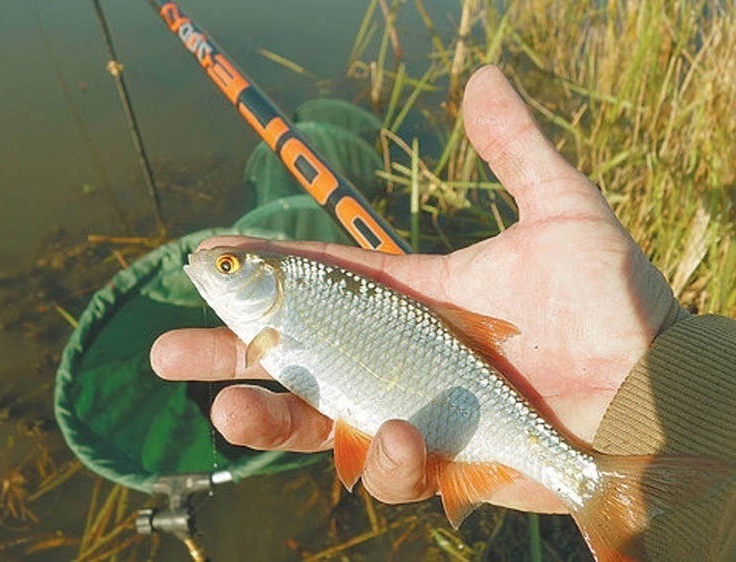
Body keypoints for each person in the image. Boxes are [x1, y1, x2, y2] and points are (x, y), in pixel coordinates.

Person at [151, 66, 736, 560]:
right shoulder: (274, 321)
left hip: (534, 413)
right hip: (631, 402)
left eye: (228, 269)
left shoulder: (279, 317)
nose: (213, 269)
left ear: (267, 285)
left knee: (382, 444)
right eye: (228, 269)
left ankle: (595, 486)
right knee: (371, 444)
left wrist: (650, 379)